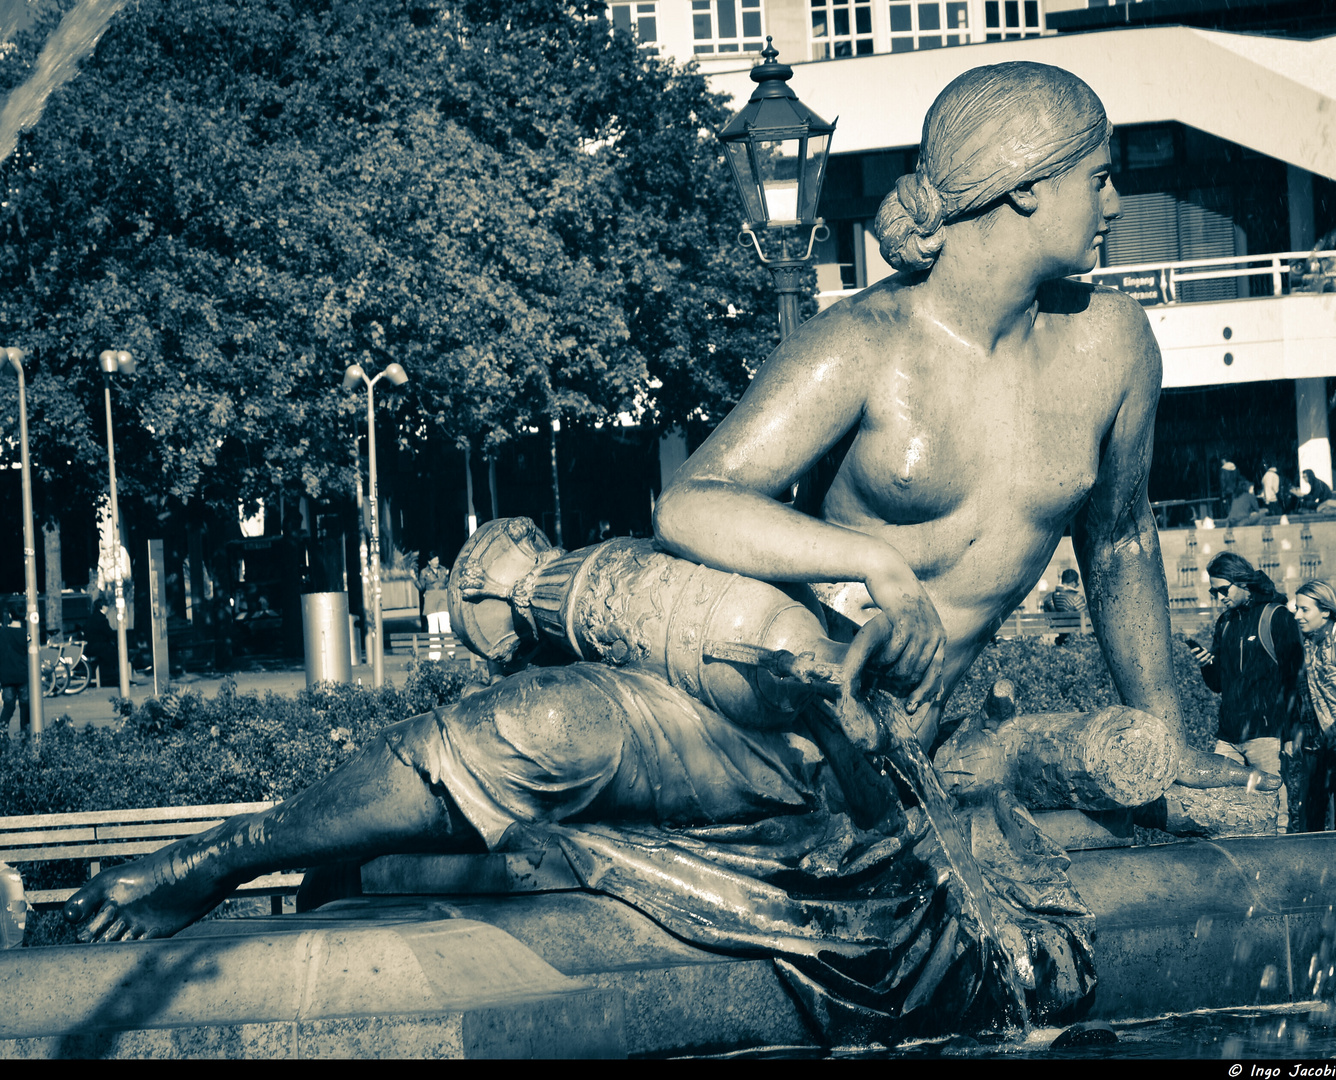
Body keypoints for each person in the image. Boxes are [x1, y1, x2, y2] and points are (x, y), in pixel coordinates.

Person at [61, 63, 1264, 1036]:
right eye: (1101, 179)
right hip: (759, 699)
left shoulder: (1113, 345)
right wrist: (865, 569)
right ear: (1021, 192)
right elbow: (697, 508)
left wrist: (1173, 748)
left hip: (904, 742)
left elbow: (1117, 550)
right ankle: (210, 861)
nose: (1114, 203)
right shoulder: (866, 345)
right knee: (521, 736)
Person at [1188, 552, 1303, 830]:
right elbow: (1217, 685)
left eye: (1223, 590)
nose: (1219, 598)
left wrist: (1290, 735)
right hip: (1228, 736)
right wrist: (1207, 664)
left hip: (1266, 736)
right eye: (1213, 592)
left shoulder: (1277, 617)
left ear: (1242, 581)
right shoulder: (1225, 623)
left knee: (1274, 818)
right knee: (1222, 815)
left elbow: (1295, 680)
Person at [1290, 579, 1336, 832]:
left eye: (1304, 609)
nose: (1297, 615)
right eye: (1297, 608)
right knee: (1310, 821)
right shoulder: (1310, 642)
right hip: (1317, 744)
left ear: (1326, 611)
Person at [0, 607, 29, 738]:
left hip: (6, 674)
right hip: (22, 673)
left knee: (9, 705)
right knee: (25, 704)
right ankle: (24, 730)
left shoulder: (2, 632)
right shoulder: (26, 634)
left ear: (11, 616)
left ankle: (3, 730)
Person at [1042, 568, 1087, 645]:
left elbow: (1047, 617)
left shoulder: (1048, 598)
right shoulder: (1077, 598)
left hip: (1056, 628)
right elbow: (1084, 618)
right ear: (1073, 583)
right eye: (1077, 584)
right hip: (1073, 631)